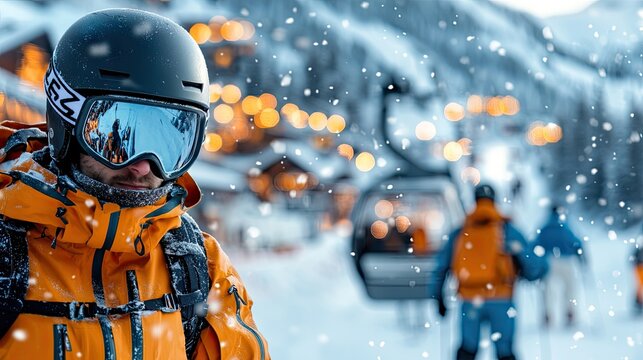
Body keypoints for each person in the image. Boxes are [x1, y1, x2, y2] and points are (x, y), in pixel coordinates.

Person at [0, 9, 269, 359]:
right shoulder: (7, 255)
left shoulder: (196, 267)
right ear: (66, 125)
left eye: (170, 143)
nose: (144, 166)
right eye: (118, 136)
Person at [431, 184, 547, 360]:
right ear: (494, 200)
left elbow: (440, 267)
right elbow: (534, 265)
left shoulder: (461, 231)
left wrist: (438, 297)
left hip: (469, 299)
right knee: (504, 350)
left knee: (468, 348)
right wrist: (535, 271)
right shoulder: (508, 230)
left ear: (475, 200)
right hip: (502, 298)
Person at [534, 205, 585, 327]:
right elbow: (577, 243)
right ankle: (570, 312)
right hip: (566, 261)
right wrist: (582, 257)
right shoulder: (566, 226)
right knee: (570, 287)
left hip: (549, 260)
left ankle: (547, 315)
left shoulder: (545, 227)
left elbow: (536, 244)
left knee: (548, 289)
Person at [633, 241, 643, 315]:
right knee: (640, 286)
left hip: (639, 263)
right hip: (639, 264)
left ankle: (638, 304)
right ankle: (638, 304)